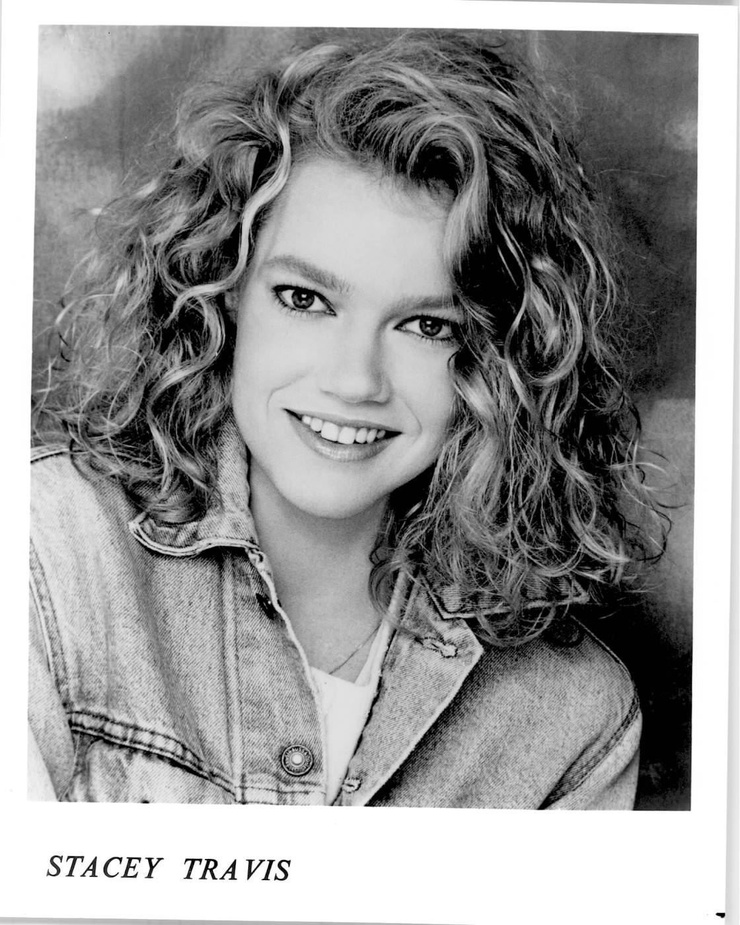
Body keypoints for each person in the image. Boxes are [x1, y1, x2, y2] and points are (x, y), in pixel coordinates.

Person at [28, 31, 663, 807]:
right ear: (221, 292)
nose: (354, 379)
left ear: (499, 361)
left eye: (428, 325)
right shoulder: (47, 555)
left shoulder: (574, 720)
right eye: (305, 299)